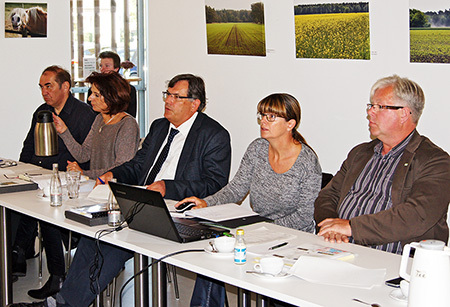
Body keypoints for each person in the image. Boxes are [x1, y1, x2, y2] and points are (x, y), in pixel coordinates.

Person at [11, 73, 232, 307]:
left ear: (194, 103)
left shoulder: (213, 135)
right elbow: (137, 164)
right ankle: (63, 302)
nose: (167, 101)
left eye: (176, 96)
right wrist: (114, 174)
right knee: (96, 235)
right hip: (142, 201)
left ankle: (63, 303)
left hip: (178, 210)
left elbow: (214, 183)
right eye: (167, 94)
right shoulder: (159, 127)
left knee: (110, 240)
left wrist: (169, 187)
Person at [178, 93, 322, 307]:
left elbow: (304, 217)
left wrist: (263, 229)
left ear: (290, 124)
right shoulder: (258, 148)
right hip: (261, 230)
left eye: (271, 117)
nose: (263, 121)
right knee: (214, 257)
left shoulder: (307, 162)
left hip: (294, 239)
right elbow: (236, 189)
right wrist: (206, 202)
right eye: (262, 115)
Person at [315, 75, 450, 254]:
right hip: (341, 249)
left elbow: (416, 216)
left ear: (404, 113)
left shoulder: (435, 161)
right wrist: (331, 226)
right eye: (371, 106)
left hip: (394, 261)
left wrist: (352, 228)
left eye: (380, 107)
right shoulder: (360, 153)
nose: (370, 112)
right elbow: (328, 195)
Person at [13, 66, 96, 298]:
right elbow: (29, 145)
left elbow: (85, 156)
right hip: (40, 176)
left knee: (44, 210)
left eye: (48, 86)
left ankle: (44, 268)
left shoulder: (83, 114)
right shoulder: (41, 111)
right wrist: (23, 171)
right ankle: (17, 253)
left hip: (68, 180)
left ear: (65, 87)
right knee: (15, 200)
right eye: (41, 87)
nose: (44, 92)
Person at [53, 71, 140, 179]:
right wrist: (64, 131)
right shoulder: (100, 119)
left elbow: (121, 168)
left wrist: (84, 173)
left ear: (111, 97)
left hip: (114, 189)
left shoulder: (127, 124)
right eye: (91, 93)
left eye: (96, 95)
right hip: (97, 186)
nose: (90, 98)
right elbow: (83, 155)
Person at [86, 51, 137, 117]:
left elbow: (130, 116)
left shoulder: (129, 90)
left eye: (107, 66)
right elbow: (91, 114)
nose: (102, 69)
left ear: (116, 69)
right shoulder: (93, 90)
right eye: (101, 66)